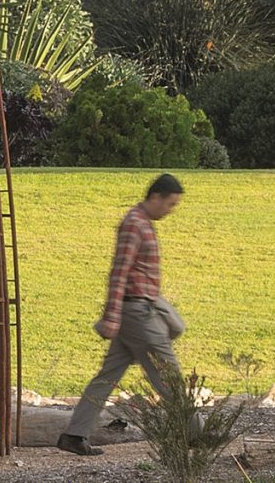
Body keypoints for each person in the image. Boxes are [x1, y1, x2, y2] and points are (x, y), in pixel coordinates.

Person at [57, 173, 187, 456]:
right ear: (156, 197)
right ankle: (197, 434)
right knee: (168, 374)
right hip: (138, 314)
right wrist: (112, 316)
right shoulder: (134, 224)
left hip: (137, 310)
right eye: (170, 204)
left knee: (107, 376)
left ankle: (74, 434)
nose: (171, 210)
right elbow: (119, 272)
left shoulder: (143, 223)